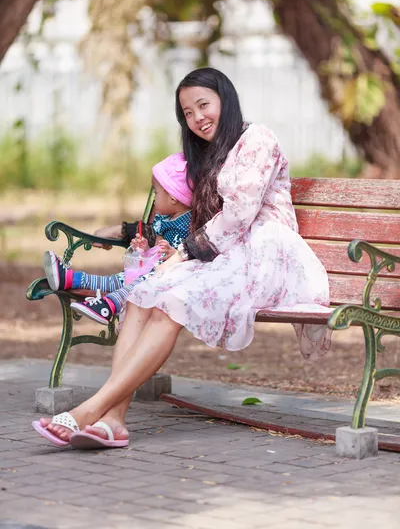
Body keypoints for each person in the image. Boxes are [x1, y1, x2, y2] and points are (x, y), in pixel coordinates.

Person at [32, 67, 331, 450]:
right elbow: (190, 217)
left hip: (268, 256)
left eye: (203, 105)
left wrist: (186, 254)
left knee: (170, 302)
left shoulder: (257, 138)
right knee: (143, 296)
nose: (197, 118)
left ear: (226, 99)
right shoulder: (206, 154)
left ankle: (91, 409)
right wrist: (155, 245)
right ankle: (114, 421)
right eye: (187, 113)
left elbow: (240, 216)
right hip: (225, 254)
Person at [42, 152, 192, 326]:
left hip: (165, 280)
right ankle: (70, 279)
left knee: (140, 284)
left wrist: (173, 253)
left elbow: (188, 252)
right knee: (116, 280)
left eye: (156, 193)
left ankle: (109, 305)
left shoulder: (189, 222)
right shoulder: (164, 218)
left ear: (173, 198)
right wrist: (144, 248)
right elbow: (157, 245)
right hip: (150, 272)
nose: (154, 198)